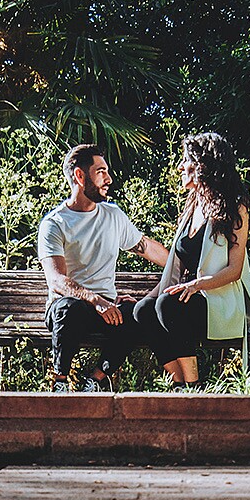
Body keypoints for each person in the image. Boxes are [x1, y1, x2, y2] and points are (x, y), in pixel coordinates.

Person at [37, 144, 169, 391]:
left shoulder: (113, 215)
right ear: (79, 175)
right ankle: (60, 382)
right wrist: (95, 299)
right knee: (69, 308)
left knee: (136, 313)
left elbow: (145, 247)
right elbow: (56, 280)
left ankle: (95, 380)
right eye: (101, 172)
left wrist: (182, 264)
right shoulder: (55, 224)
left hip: (107, 310)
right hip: (69, 309)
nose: (108, 179)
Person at [131, 132, 250, 387]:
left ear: (203, 166)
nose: (180, 167)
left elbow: (235, 270)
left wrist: (196, 285)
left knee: (168, 304)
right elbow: (176, 267)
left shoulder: (235, 206)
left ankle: (193, 386)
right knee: (143, 310)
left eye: (186, 160)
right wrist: (146, 297)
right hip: (188, 298)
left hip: (218, 300)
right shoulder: (193, 206)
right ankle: (179, 383)